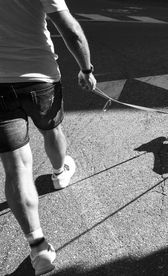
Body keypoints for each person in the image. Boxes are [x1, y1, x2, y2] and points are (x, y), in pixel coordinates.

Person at [0, 0, 96, 274]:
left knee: (16, 166)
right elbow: (71, 30)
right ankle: (59, 172)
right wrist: (86, 70)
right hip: (39, 77)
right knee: (52, 129)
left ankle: (39, 248)